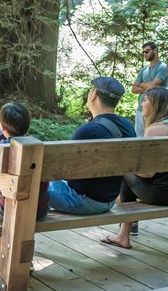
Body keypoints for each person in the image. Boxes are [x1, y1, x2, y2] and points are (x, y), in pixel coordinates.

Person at [100, 87, 168, 249]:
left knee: (126, 174)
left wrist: (129, 165)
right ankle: (127, 228)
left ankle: (124, 235)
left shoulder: (155, 129)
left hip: (165, 195)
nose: (142, 103)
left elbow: (147, 173)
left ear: (155, 105)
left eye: (145, 100)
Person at [0, 102, 50, 269]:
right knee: (26, 210)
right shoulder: (40, 146)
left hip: (11, 207)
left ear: (2, 126)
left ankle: (1, 254)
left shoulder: (1, 149)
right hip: (41, 208)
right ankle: (19, 256)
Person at [49, 77, 135, 215]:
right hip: (109, 200)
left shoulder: (88, 130)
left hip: (82, 201)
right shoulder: (128, 126)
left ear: (94, 95)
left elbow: (62, 168)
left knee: (29, 187)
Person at [133, 41, 168, 136]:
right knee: (138, 138)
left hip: (156, 110)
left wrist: (141, 84)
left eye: (147, 51)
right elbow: (133, 89)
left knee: (153, 139)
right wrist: (148, 86)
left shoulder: (163, 67)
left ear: (155, 50)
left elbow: (153, 86)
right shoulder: (143, 70)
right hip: (140, 109)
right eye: (143, 52)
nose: (144, 54)